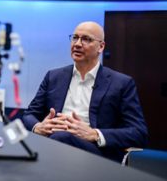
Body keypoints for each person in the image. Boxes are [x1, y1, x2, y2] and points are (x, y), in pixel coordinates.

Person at [22, 21, 148, 162]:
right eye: (75, 38)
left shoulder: (121, 83)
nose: (77, 44)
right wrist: (38, 127)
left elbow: (138, 133)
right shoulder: (53, 77)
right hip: (54, 142)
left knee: (61, 137)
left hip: (96, 153)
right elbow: (29, 114)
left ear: (101, 47)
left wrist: (94, 134)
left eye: (86, 39)